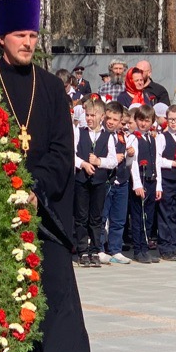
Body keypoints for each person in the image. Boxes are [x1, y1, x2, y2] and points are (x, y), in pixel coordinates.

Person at [0, 0, 107, 352]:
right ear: (1, 37)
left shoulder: (52, 86)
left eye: (34, 35)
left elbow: (62, 148)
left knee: (58, 292)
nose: (28, 42)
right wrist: (7, 187)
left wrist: (35, 186)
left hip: (44, 210)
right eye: (21, 35)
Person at [73, 97, 118, 268]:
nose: (89, 118)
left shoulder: (108, 136)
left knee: (96, 217)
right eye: (87, 115)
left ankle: (95, 249)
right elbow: (72, 154)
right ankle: (82, 249)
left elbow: (113, 160)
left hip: (99, 181)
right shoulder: (80, 131)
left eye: (93, 115)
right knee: (81, 216)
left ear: (101, 116)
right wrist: (83, 164)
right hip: (82, 180)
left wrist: (99, 162)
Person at [156, 104, 176, 262]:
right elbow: (157, 159)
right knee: (165, 214)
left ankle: (173, 245)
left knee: (175, 214)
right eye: (170, 119)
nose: (173, 123)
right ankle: (165, 247)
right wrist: (172, 164)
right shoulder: (162, 137)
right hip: (166, 180)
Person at [101, 102, 131, 264]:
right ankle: (99, 248)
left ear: (121, 121)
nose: (111, 121)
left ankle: (115, 249)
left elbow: (128, 160)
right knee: (102, 216)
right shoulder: (101, 134)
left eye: (115, 119)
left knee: (119, 218)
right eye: (109, 118)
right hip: (106, 180)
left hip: (122, 180)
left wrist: (129, 155)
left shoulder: (121, 136)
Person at [129, 105, 159, 264]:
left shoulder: (152, 138)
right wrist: (137, 184)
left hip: (151, 180)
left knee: (148, 217)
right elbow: (133, 163)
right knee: (138, 217)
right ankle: (138, 249)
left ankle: (145, 248)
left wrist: (158, 185)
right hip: (140, 181)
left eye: (147, 120)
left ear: (152, 122)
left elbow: (157, 162)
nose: (143, 124)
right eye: (140, 120)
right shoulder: (134, 138)